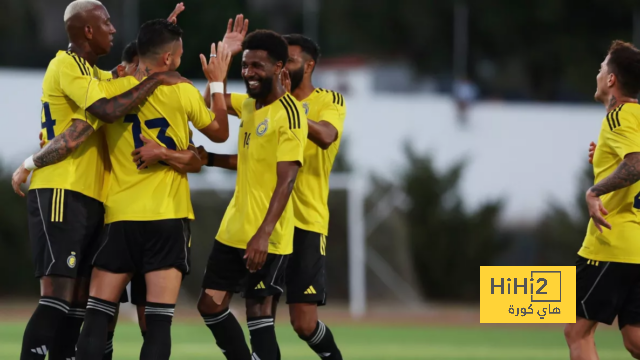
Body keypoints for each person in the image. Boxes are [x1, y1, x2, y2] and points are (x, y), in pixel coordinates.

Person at [11, 1, 187, 359]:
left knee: (78, 301)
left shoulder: (95, 75)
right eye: (106, 22)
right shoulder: (66, 66)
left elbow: (128, 75)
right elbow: (104, 111)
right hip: (63, 189)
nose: (112, 28)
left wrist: (158, 40)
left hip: (92, 197)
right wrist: (30, 163)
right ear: (87, 30)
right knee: (58, 295)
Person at [73, 18, 231, 360]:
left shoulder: (111, 92)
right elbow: (219, 132)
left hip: (121, 218)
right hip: (167, 220)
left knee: (96, 320)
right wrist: (216, 84)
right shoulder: (181, 90)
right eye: (179, 54)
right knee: (157, 327)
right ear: (168, 60)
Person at [196, 29, 308, 360]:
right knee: (209, 305)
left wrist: (263, 233)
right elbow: (207, 103)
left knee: (258, 315)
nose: (248, 73)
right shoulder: (247, 106)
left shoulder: (290, 113)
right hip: (234, 228)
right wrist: (225, 56)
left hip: (266, 236)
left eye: (257, 66)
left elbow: (286, 179)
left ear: (279, 67)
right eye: (245, 66)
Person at [565, 40, 640, 360]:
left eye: (601, 68)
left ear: (611, 79)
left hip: (611, 242)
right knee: (636, 340)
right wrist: (605, 161)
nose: (597, 73)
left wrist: (594, 190)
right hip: (636, 245)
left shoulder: (620, 116)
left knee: (577, 332)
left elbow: (636, 163)